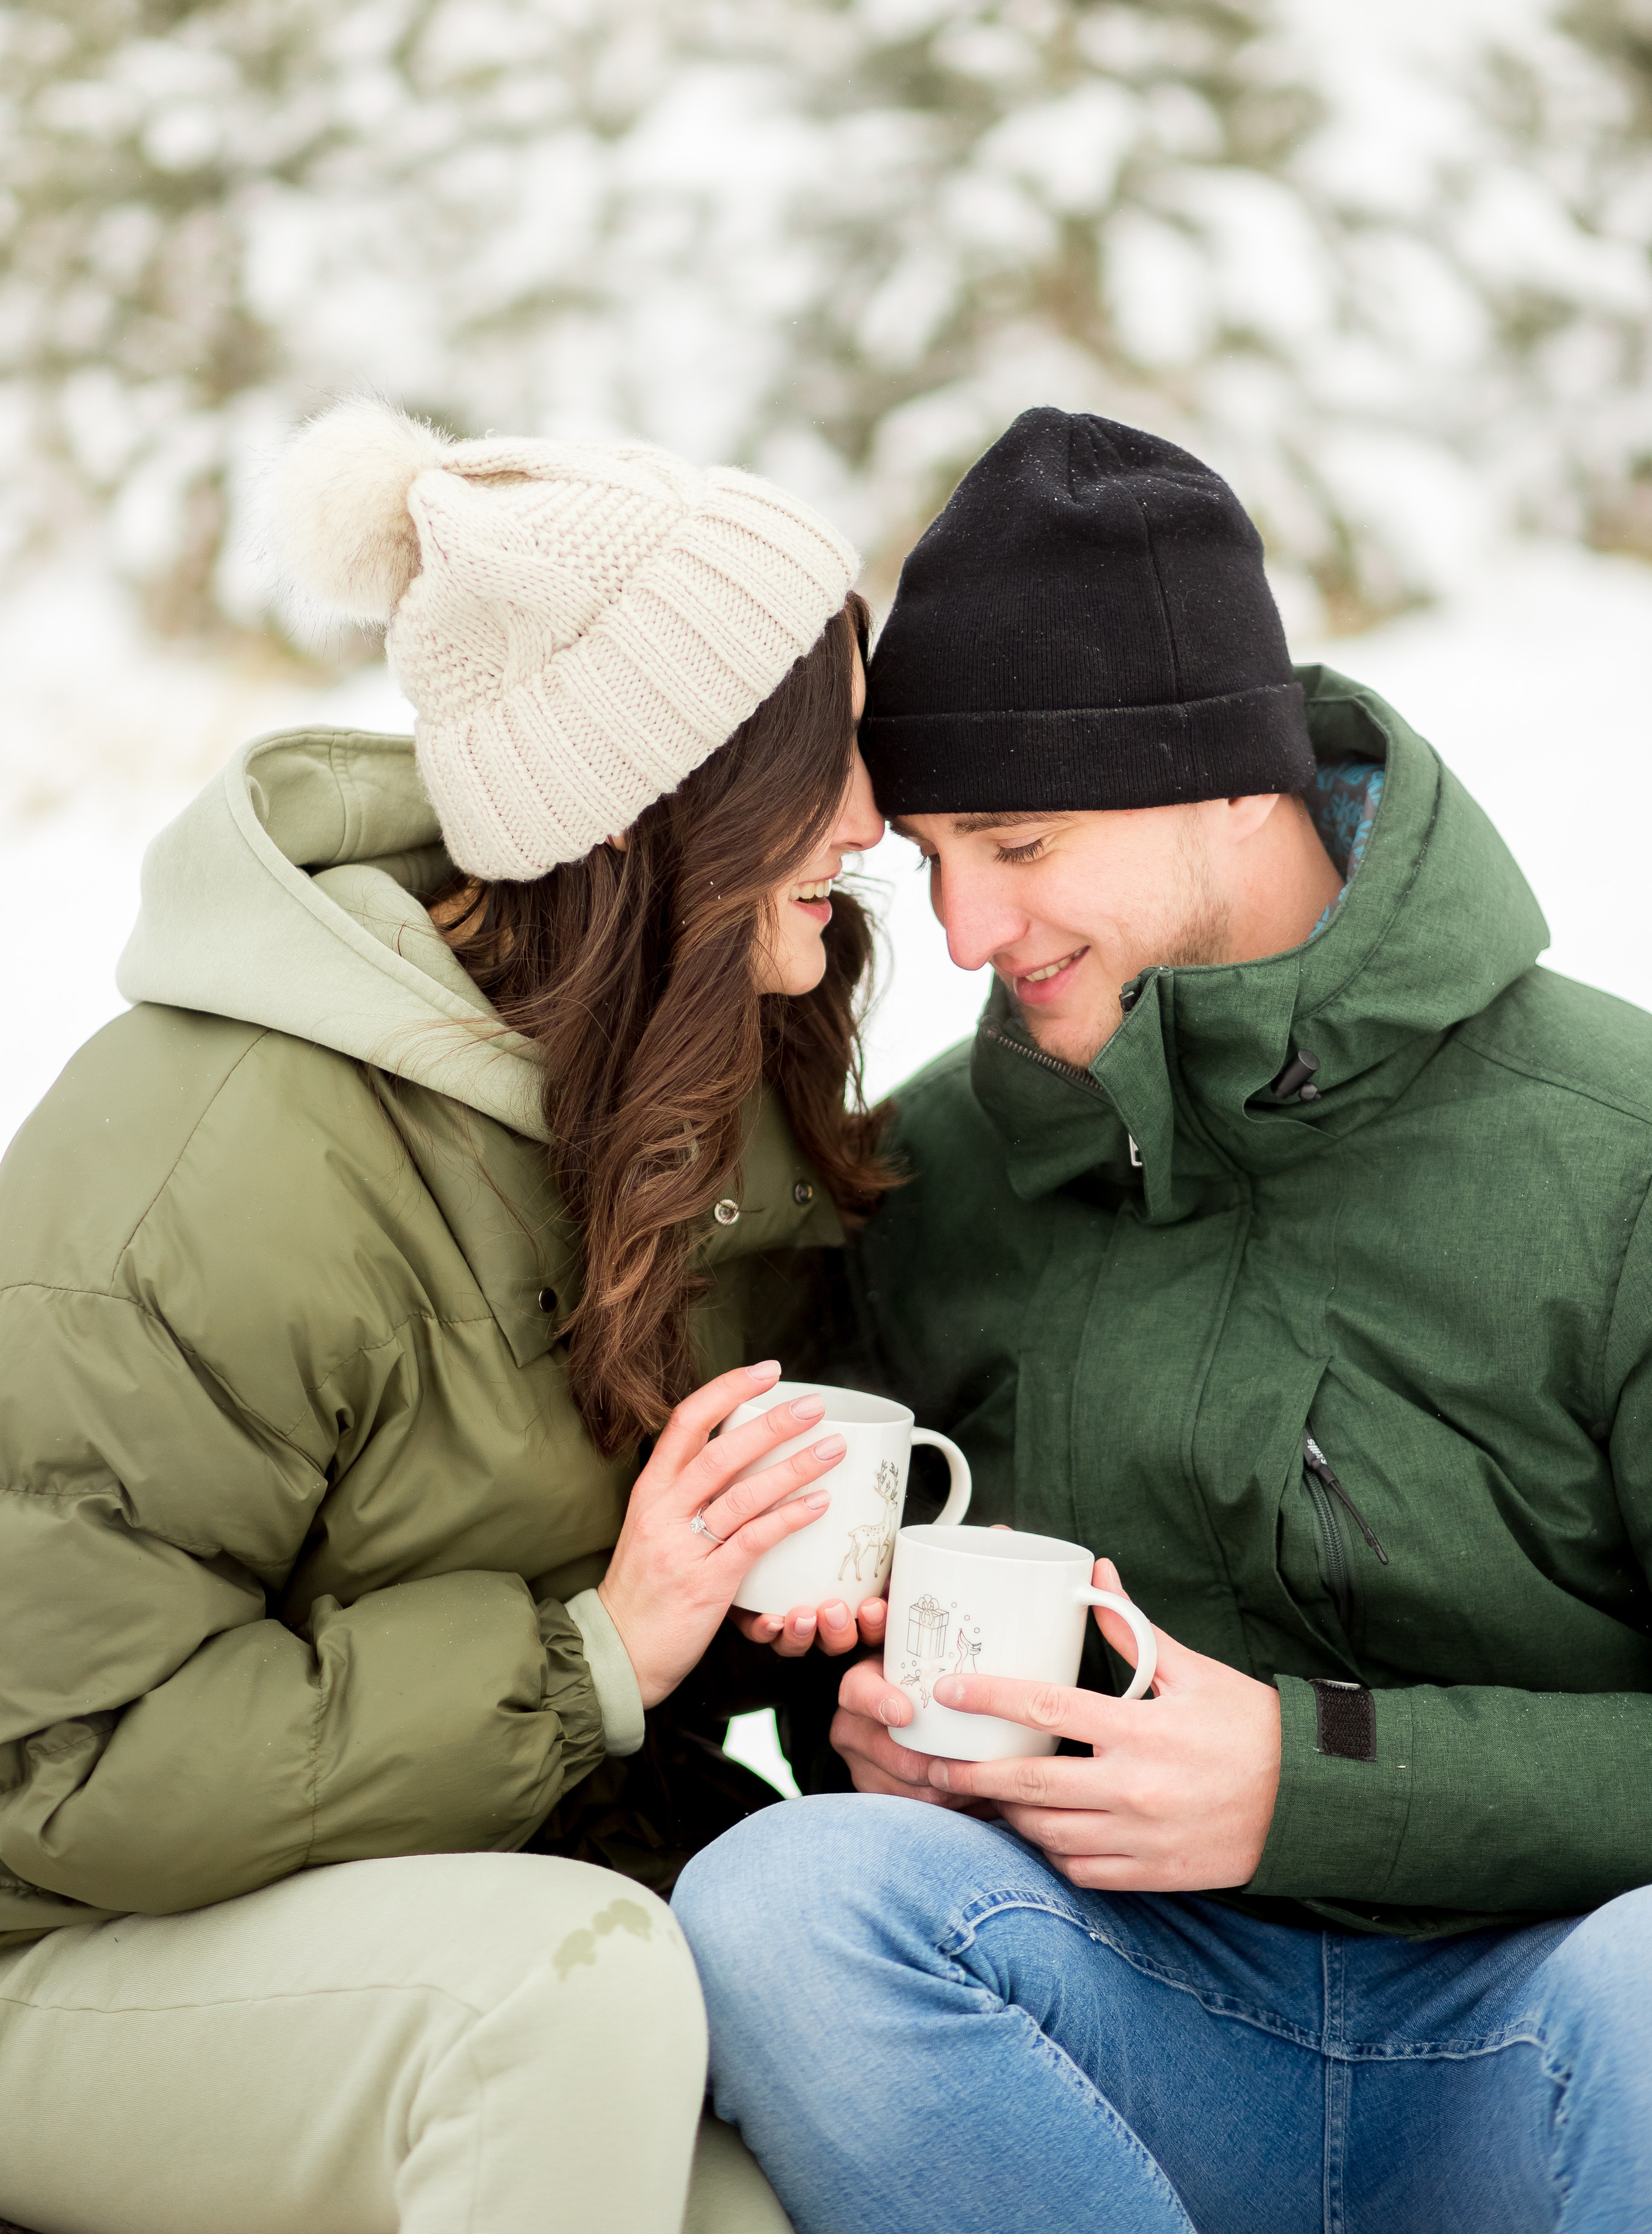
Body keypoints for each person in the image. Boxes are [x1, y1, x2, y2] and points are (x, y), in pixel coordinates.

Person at [675, 408, 1652, 2233]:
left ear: (1230, 776)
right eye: (935, 860)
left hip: (1547, 2052)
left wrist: (1314, 1787)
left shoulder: (1616, 1158)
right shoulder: (938, 1174)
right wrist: (869, 1736)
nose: (967, 932)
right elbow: (858, 1640)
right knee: (784, 1903)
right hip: (1144, 2027)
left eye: (1022, 844)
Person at [0, 397, 893, 2234]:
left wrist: (762, 1623)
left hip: (432, 1908)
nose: (877, 821)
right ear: (675, 811)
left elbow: (618, 1624)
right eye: (833, 760)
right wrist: (592, 1660)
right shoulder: (226, 1153)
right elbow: (58, 1765)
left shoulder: (686, 1102)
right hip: (67, 1952)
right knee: (564, 1999)